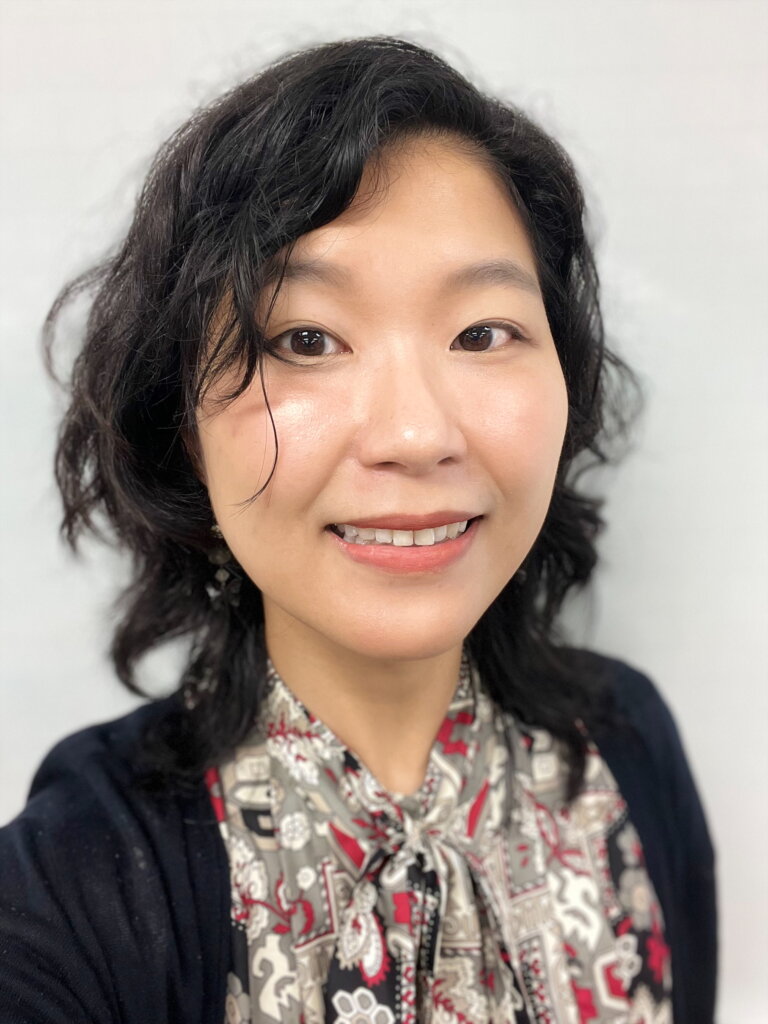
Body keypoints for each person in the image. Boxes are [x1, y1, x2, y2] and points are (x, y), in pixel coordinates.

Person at [0, 35, 716, 1024]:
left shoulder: (628, 751)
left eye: (482, 333)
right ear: (184, 427)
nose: (417, 434)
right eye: (304, 340)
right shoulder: (73, 891)